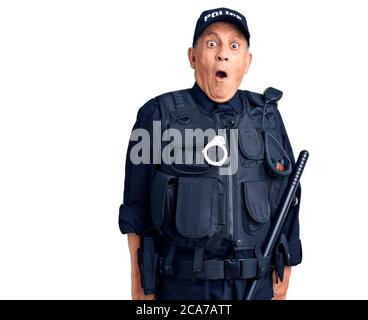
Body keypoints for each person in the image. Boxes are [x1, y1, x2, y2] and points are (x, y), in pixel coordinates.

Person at [119, 7, 302, 300]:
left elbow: (288, 197)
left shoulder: (267, 117)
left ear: (247, 61)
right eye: (212, 43)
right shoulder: (157, 114)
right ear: (193, 57)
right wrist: (138, 279)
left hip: (255, 284)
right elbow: (135, 207)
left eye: (234, 45)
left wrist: (288, 266)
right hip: (182, 286)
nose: (223, 54)